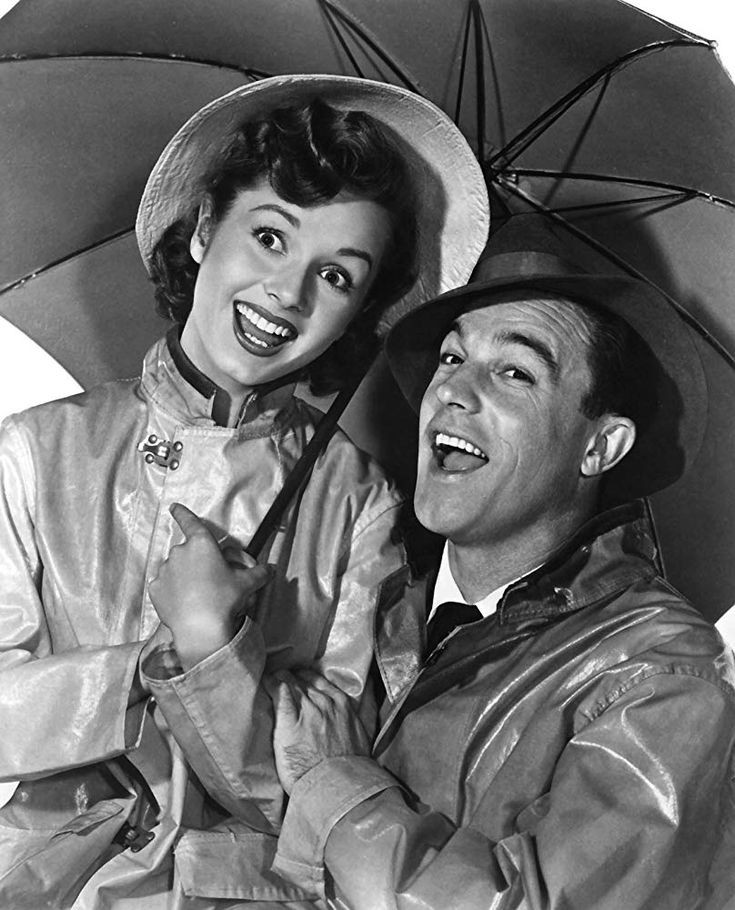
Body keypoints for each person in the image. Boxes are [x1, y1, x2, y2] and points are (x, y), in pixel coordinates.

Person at [0, 74, 489, 909]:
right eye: (270, 238)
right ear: (200, 234)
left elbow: (323, 787)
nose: (288, 295)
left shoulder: (360, 503)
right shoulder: (33, 453)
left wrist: (207, 649)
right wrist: (146, 667)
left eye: (337, 277)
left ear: (360, 310)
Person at [254, 219, 735, 909]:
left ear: (599, 448)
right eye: (450, 359)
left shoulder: (661, 675)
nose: (453, 391)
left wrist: (335, 779)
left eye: (513, 371)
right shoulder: (365, 603)